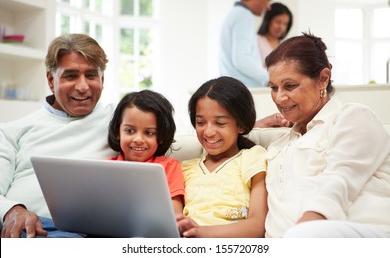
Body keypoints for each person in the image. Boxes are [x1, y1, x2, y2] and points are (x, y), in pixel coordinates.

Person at [264, 32, 390, 238]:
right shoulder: (278, 145)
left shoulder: (353, 116)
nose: (279, 97)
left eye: (290, 86)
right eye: (273, 88)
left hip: (361, 237)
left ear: (323, 79)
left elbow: (338, 182)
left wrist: (298, 240)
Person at [0, 33, 116, 238]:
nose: (82, 86)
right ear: (51, 80)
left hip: (80, 233)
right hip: (21, 227)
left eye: (91, 75)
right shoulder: (13, 130)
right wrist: (12, 210)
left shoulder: (121, 123)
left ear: (102, 79)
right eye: (70, 76)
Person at [176, 76, 268, 238]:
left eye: (220, 123)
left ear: (240, 125)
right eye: (201, 122)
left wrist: (202, 233)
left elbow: (258, 225)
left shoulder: (253, 157)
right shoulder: (184, 167)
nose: (208, 132)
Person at [107, 90, 185, 214]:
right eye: (130, 131)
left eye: (149, 133)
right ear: (117, 132)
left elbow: (175, 215)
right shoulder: (105, 167)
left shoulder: (169, 167)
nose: (138, 140)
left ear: (161, 137)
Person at [219, 0, 277, 88]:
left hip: (233, 86)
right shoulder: (244, 16)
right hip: (243, 88)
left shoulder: (235, 14)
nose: (268, 6)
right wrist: (272, 77)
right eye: (268, 0)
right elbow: (241, 60)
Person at [257, 2, 293, 68]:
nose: (281, 27)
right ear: (268, 20)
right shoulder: (256, 40)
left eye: (285, 24)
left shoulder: (285, 46)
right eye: (278, 22)